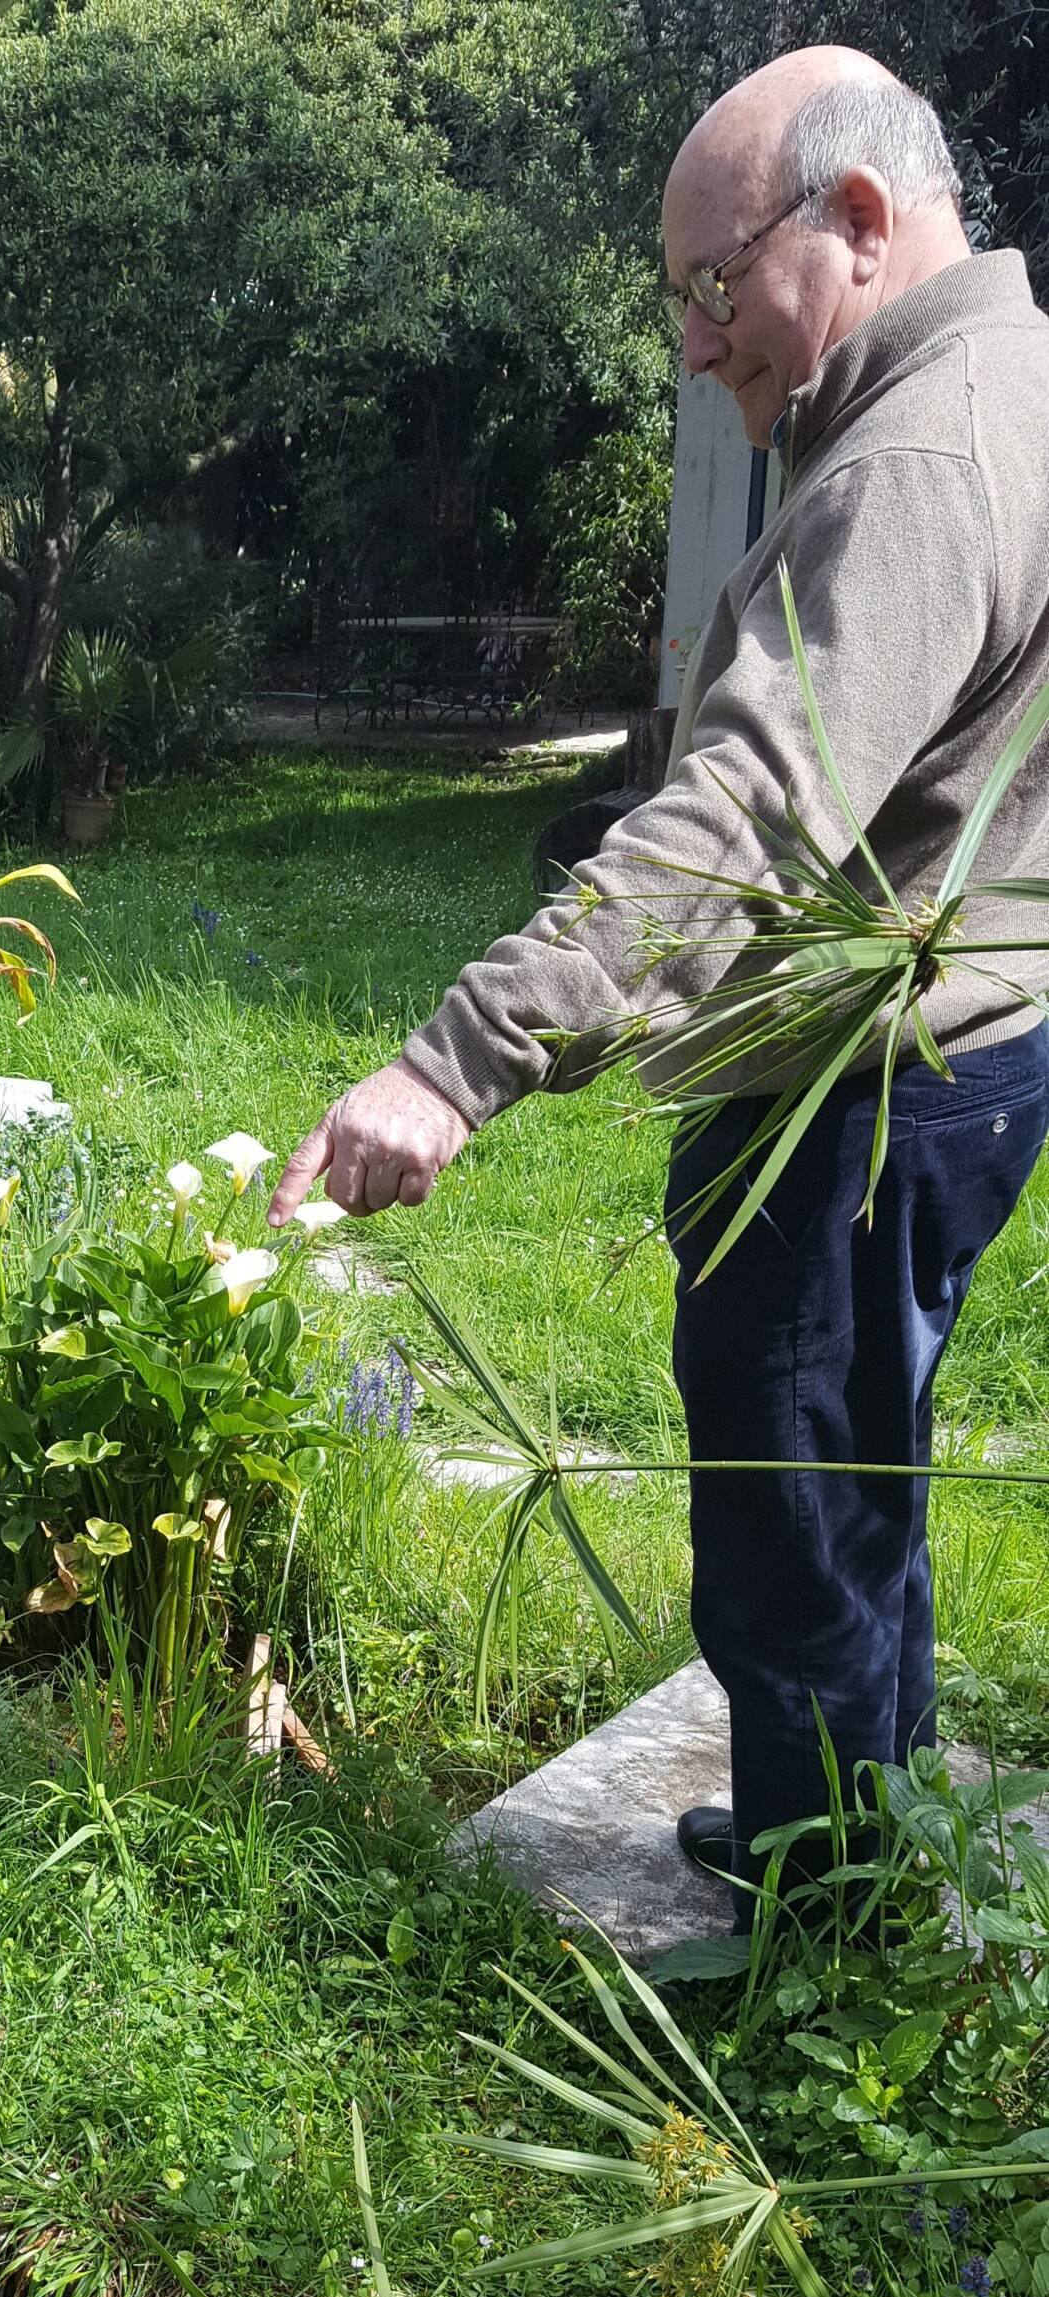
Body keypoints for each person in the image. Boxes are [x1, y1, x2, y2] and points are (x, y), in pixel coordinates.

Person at [269, 46, 1049, 1913]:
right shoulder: (1006, 376)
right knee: (859, 1466)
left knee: (793, 1501)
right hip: (975, 1045)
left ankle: (820, 1915)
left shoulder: (918, 458)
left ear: (858, 223)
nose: (699, 347)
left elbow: (748, 818)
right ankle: (858, 1824)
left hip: (861, 1085)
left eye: (715, 287)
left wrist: (457, 1064)